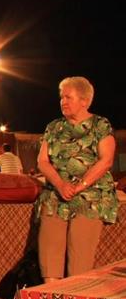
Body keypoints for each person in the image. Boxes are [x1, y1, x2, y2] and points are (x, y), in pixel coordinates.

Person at [35, 76, 118, 283]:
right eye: (61, 97)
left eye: (68, 97)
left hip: (90, 194)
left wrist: (79, 186)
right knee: (49, 248)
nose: (63, 101)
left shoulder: (100, 125)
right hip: (56, 193)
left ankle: (75, 294)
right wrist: (60, 184)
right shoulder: (53, 127)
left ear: (84, 101)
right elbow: (42, 161)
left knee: (80, 252)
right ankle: (52, 294)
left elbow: (106, 160)